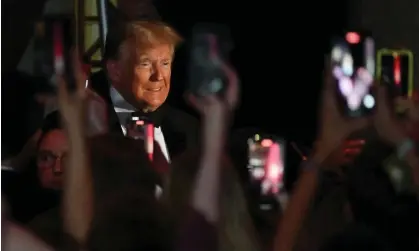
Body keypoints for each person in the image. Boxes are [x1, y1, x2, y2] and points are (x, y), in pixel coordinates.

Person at [90, 19, 199, 162]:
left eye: (165, 64)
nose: (159, 76)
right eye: (145, 64)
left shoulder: (190, 129)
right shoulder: (83, 125)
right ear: (115, 70)